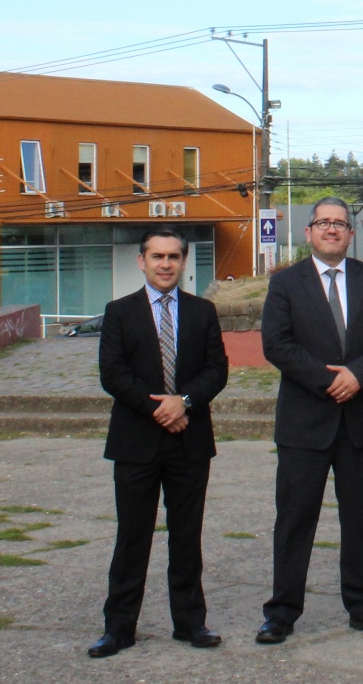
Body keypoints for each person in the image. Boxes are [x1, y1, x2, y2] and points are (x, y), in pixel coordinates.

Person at [256, 197, 363, 643]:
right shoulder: (285, 283)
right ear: (309, 232)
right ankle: (281, 612)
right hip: (306, 421)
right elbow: (276, 344)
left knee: (361, 519)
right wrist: (329, 381)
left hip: (362, 419)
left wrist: (358, 375)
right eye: (323, 223)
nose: (332, 230)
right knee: (294, 520)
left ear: (351, 233)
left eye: (340, 224)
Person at [88, 228, 229, 658]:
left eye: (173, 256)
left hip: (190, 441)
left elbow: (216, 370)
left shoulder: (203, 312)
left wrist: (182, 402)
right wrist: (159, 410)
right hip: (136, 442)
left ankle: (190, 624)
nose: (165, 264)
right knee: (132, 536)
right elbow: (112, 373)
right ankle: (119, 629)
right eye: (157, 256)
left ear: (184, 262)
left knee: (187, 535)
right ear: (142, 261)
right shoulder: (119, 312)